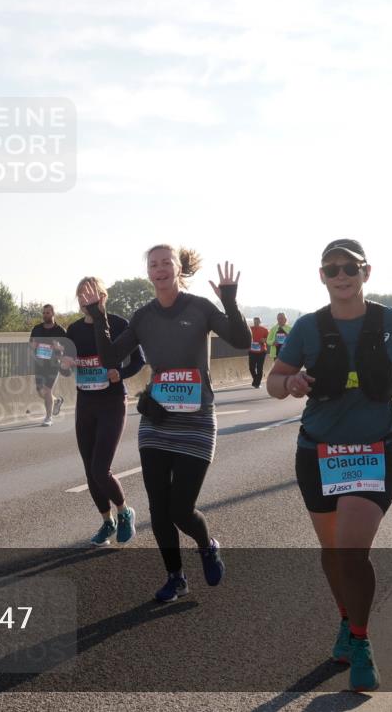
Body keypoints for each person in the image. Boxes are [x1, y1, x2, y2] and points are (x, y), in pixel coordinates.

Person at [266, 239, 392, 692]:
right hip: (317, 451)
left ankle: (360, 641)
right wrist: (291, 381)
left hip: (374, 449)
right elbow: (273, 383)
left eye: (350, 268)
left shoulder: (391, 320)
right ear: (322, 276)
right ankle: (346, 619)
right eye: (332, 268)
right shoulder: (307, 327)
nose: (341, 275)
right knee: (333, 552)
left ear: (366, 272)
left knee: (351, 552)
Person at [79, 245, 250, 603]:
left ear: (177, 268)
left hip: (198, 420)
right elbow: (111, 356)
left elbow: (241, 340)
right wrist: (99, 317)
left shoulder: (200, 307)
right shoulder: (143, 317)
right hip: (157, 421)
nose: (159, 269)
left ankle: (206, 544)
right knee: (158, 508)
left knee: (180, 509)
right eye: (153, 265)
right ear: (148, 273)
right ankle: (175, 577)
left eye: (165, 263)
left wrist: (230, 303)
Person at [60, 276, 145, 546]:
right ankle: (106, 521)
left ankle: (124, 512)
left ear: (103, 297)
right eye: (82, 296)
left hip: (111, 402)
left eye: (92, 295)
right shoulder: (73, 330)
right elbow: (64, 368)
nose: (87, 300)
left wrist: (120, 373)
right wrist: (66, 364)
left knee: (100, 468)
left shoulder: (119, 324)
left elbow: (139, 361)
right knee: (89, 470)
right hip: (85, 402)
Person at [30, 305, 67, 426]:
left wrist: (58, 347)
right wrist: (34, 346)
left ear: (53, 313)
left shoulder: (60, 330)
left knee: (47, 390)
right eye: (44, 313)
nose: (45, 315)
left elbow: (67, 347)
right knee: (41, 392)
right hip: (40, 364)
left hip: (53, 365)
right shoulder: (37, 329)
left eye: (47, 313)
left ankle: (48, 417)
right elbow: (31, 343)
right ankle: (57, 400)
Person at [248, 317, 270, 388]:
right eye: (255, 322)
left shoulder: (264, 330)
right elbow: (245, 336)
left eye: (257, 322)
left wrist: (265, 340)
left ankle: (257, 383)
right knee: (251, 368)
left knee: (259, 368)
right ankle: (256, 380)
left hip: (261, 352)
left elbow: (269, 339)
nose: (256, 323)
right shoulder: (250, 329)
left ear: (260, 322)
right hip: (252, 351)